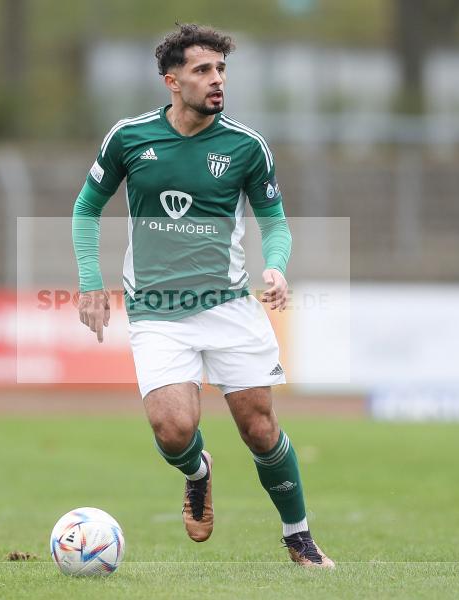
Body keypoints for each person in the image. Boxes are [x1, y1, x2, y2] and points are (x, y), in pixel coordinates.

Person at [71, 23, 334, 568]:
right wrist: (91, 281)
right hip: (156, 311)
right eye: (203, 70)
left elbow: (275, 224)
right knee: (173, 430)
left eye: (221, 70)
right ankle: (197, 472)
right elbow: (85, 207)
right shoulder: (129, 138)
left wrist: (278, 268)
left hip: (230, 307)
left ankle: (299, 539)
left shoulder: (245, 145)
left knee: (260, 430)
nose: (217, 81)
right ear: (172, 80)